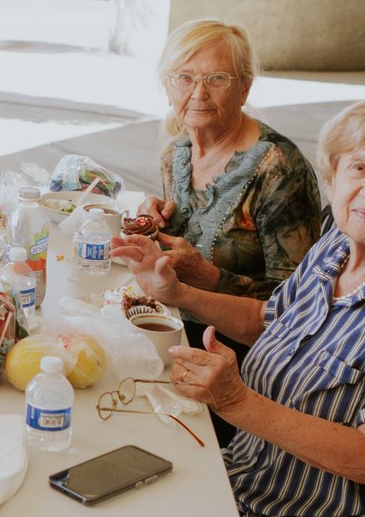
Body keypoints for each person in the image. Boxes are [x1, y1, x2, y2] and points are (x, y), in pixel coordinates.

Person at [57, 97, 365, 517]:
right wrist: (179, 293)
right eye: (358, 167)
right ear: (335, 178)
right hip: (256, 482)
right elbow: (269, 320)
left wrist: (236, 401)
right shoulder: (339, 245)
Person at [137, 20, 321, 373]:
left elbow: (299, 307)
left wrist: (207, 276)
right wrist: (157, 220)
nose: (198, 92)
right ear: (167, 86)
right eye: (184, 77)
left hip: (241, 361)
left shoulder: (280, 171)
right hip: (173, 330)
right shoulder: (177, 150)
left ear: (244, 89)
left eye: (216, 78)